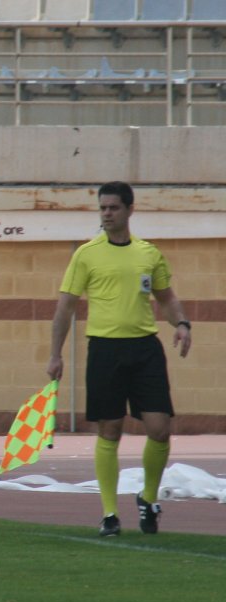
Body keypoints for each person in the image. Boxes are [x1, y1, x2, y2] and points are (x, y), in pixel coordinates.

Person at [47, 181, 192, 537]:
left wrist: (182, 324)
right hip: (105, 350)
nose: (107, 214)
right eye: (103, 208)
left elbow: (167, 298)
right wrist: (55, 354)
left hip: (145, 350)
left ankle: (148, 498)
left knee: (159, 429)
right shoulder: (87, 254)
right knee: (109, 430)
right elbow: (65, 307)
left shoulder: (148, 253)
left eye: (113, 207)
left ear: (129, 210)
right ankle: (110, 513)